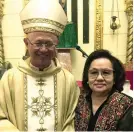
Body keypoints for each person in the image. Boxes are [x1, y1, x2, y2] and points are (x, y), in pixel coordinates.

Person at [0, 0, 80, 131]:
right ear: (26, 43)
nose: (43, 49)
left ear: (56, 45)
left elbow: (71, 121)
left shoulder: (68, 80)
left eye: (48, 44)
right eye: (38, 43)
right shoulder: (9, 79)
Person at [75, 49, 133, 131]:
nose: (99, 78)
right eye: (94, 72)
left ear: (115, 77)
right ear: (87, 76)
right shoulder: (78, 100)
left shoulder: (127, 104)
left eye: (106, 73)